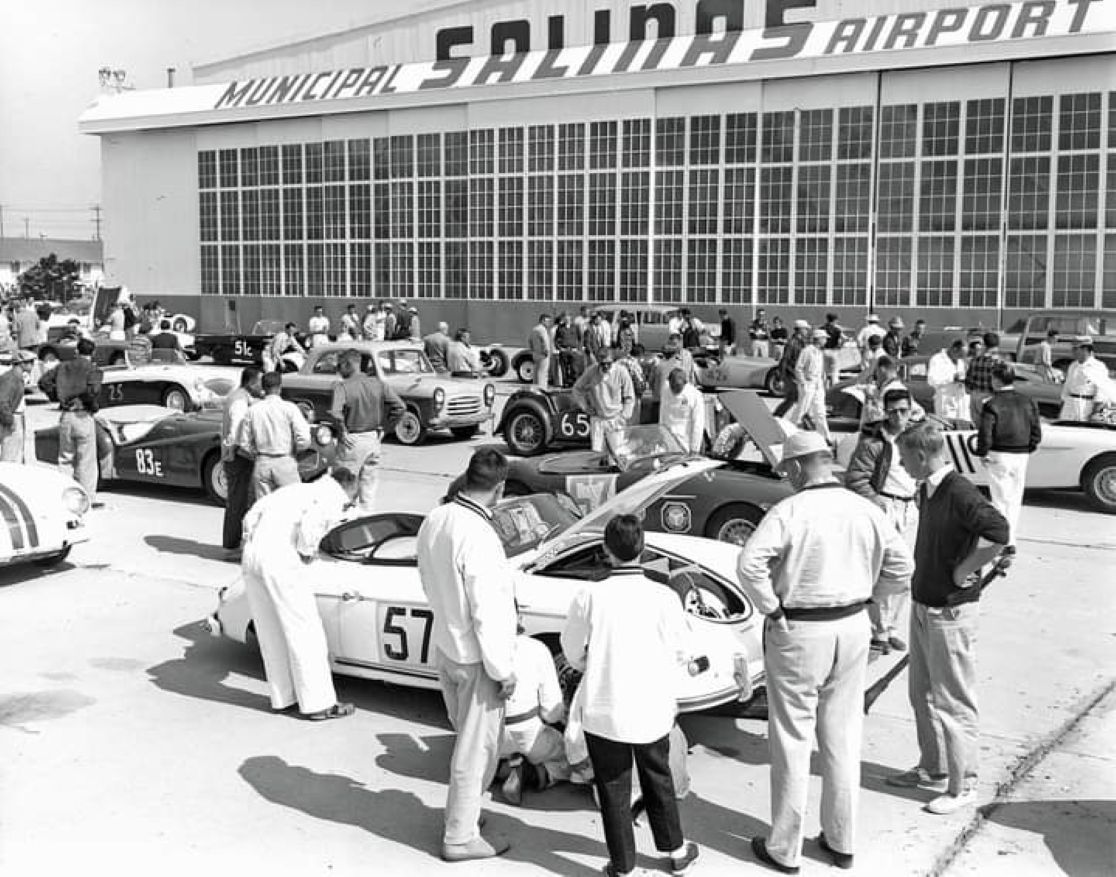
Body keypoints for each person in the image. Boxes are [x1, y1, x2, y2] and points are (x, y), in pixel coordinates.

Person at [738, 431, 913, 873]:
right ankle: (841, 838)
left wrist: (771, 608)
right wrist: (872, 597)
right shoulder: (865, 509)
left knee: (793, 740)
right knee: (842, 736)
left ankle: (785, 847)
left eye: (787, 470)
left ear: (797, 467)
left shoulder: (790, 510)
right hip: (852, 626)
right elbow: (902, 567)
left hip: (800, 629)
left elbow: (749, 564)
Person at [562, 515, 701, 877]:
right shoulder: (664, 596)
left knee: (612, 788)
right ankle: (675, 850)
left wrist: (591, 663)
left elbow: (572, 649)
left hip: (604, 706)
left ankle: (623, 865)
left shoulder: (590, 595)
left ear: (606, 549)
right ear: (642, 548)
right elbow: (682, 649)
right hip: (651, 707)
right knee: (659, 779)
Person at [888, 422, 1010, 815]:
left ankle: (963, 785)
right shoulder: (927, 489)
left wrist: (965, 570)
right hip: (925, 604)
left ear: (922, 456)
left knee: (953, 701)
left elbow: (999, 530)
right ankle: (933, 768)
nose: (902, 466)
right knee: (920, 694)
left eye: (905, 459)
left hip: (951, 611)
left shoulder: (959, 491)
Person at [416, 448, 518, 862]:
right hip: (476, 657)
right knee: (476, 751)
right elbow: (488, 611)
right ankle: (459, 836)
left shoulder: (435, 519)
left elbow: (424, 576)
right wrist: (502, 669)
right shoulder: (479, 535)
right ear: (500, 488)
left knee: (467, 741)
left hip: (445, 644)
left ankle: (466, 815)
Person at [240, 467, 358, 721]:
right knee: (304, 630)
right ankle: (319, 704)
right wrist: (307, 552)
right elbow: (310, 529)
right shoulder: (332, 496)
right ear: (347, 488)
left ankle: (283, 698)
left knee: (270, 631)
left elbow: (250, 516)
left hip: (253, 555)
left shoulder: (295, 490)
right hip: (281, 560)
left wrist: (252, 541)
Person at [845, 388, 919, 653]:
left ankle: (890, 627)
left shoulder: (915, 437)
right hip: (885, 505)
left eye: (904, 410)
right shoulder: (874, 442)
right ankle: (879, 630)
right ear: (885, 412)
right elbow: (855, 478)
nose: (898, 416)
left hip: (910, 508)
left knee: (907, 572)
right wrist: (876, 503)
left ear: (911, 410)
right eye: (893, 411)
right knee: (884, 570)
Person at [499, 617, 572, 806]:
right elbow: (552, 712)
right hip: (527, 731)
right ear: (519, 617)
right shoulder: (537, 648)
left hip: (487, 732)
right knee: (570, 760)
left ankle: (502, 767)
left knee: (469, 758)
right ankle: (530, 773)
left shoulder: (473, 647)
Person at [975, 362, 1041, 546]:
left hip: (999, 453)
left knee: (999, 498)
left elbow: (986, 432)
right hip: (1021, 454)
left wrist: (982, 451)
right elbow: (1036, 430)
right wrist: (1029, 447)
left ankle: (1003, 539)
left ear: (996, 380)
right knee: (1014, 497)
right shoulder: (1027, 401)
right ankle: (1011, 537)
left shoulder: (991, 404)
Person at [330, 348, 405, 512]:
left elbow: (336, 413)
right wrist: (386, 428)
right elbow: (400, 407)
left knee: (342, 491)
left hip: (352, 441)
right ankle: (365, 523)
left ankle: (341, 526)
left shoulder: (342, 387)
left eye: (340, 366)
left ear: (348, 364)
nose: (338, 370)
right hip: (373, 439)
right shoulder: (378, 384)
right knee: (368, 492)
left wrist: (342, 432)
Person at [241, 371, 311, 498]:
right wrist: (295, 450)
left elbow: (244, 443)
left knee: (265, 509)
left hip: (262, 462)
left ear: (263, 388)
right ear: (280, 388)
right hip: (285, 461)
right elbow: (304, 439)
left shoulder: (252, 410)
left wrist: (256, 454)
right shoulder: (290, 408)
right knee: (292, 507)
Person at [220, 366, 263, 556]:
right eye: (259, 383)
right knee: (237, 501)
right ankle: (231, 545)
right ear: (251, 383)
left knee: (238, 500)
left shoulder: (242, 397)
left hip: (235, 454)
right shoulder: (239, 401)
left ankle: (233, 543)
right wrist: (244, 451)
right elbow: (237, 430)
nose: (261, 387)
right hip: (237, 456)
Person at [54, 337, 103, 504]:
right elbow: (94, 390)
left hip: (66, 415)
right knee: (86, 460)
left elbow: (44, 382)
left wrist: (58, 397)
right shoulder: (93, 369)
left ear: (77, 351)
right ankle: (87, 498)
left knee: (65, 458)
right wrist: (92, 405)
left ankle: (62, 494)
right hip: (83, 415)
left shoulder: (63, 367)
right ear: (93, 352)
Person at [572, 347, 635, 453]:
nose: (605, 366)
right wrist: (585, 407)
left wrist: (624, 416)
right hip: (598, 419)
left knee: (617, 454)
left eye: (608, 363)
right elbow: (577, 389)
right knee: (597, 454)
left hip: (615, 418)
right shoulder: (591, 371)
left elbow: (629, 396)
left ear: (613, 361)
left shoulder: (621, 372)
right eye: (602, 364)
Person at [789, 329, 831, 444]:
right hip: (808, 384)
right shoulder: (807, 351)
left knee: (820, 412)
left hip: (818, 385)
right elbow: (798, 368)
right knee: (801, 410)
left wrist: (824, 381)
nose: (826, 341)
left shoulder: (819, 352)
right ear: (819, 339)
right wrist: (803, 383)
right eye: (824, 338)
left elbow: (821, 370)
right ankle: (788, 433)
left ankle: (826, 437)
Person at [1059, 336, 1108, 421]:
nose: (1072, 351)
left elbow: (1101, 394)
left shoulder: (1098, 367)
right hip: (1069, 406)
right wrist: (1062, 407)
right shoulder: (1073, 366)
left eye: (1075, 348)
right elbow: (1066, 388)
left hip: (1085, 407)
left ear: (1085, 349)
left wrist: (1094, 414)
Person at [0, 350, 36, 462]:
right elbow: (2, 401)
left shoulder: (17, 377)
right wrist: (9, 421)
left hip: (16, 416)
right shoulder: (11, 378)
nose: (32, 365)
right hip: (12, 417)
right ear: (21, 363)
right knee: (10, 456)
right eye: (30, 362)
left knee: (16, 453)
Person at [659, 368, 704, 454]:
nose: (674, 389)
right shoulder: (665, 390)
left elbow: (698, 423)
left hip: (685, 443)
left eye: (677, 386)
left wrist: (695, 449)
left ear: (685, 383)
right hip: (667, 442)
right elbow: (662, 415)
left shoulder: (695, 395)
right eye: (672, 386)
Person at [927, 340, 970, 425]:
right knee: (947, 426)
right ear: (954, 349)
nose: (961, 358)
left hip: (960, 399)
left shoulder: (960, 361)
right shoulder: (937, 359)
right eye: (960, 355)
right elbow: (932, 380)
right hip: (945, 400)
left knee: (962, 426)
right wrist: (952, 378)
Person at [772, 320, 808, 419]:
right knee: (793, 398)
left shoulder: (802, 342)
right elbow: (785, 360)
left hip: (796, 374)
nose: (807, 331)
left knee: (797, 399)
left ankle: (777, 416)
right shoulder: (792, 343)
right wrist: (780, 378)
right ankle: (776, 417)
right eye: (805, 329)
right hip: (791, 374)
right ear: (799, 330)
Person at [964, 332, 1001, 424]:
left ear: (984, 344)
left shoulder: (975, 361)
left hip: (976, 396)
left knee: (977, 427)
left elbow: (968, 382)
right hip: (991, 397)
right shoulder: (998, 362)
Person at [528, 313, 553, 391]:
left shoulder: (534, 329)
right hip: (543, 355)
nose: (549, 323)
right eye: (547, 321)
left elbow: (530, 341)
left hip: (535, 354)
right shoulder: (542, 330)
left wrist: (533, 350)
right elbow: (545, 341)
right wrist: (547, 351)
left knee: (536, 373)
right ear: (543, 320)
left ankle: (535, 389)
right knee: (543, 373)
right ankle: (542, 390)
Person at [553, 312, 579, 386]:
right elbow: (556, 339)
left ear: (571, 318)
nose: (566, 319)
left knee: (574, 368)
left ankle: (574, 383)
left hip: (573, 350)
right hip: (564, 350)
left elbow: (580, 338)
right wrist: (559, 348)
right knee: (564, 368)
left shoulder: (575, 327)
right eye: (565, 318)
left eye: (568, 317)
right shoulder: (560, 327)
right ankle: (566, 383)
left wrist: (578, 348)